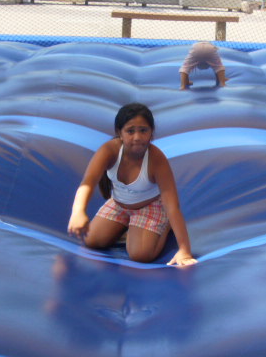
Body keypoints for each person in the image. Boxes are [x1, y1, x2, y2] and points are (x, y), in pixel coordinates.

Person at [68, 103, 197, 266]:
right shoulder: (109, 151)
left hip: (150, 206)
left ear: (151, 133)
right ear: (119, 133)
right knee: (92, 240)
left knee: (140, 255)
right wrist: (78, 212)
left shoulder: (156, 160)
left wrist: (184, 249)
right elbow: (88, 182)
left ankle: (164, 225)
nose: (137, 137)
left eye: (143, 130)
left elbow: (172, 205)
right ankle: (127, 225)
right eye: (130, 131)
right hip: (119, 204)